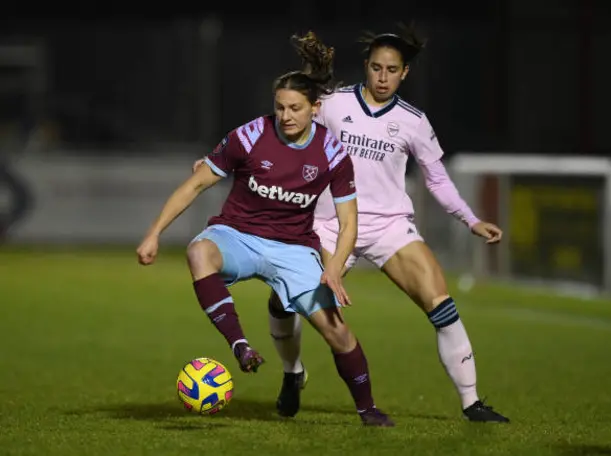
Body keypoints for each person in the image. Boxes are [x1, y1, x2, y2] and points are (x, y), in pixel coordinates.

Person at [195, 25, 509, 423]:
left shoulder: (414, 121)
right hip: (328, 224)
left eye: (391, 70)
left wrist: (470, 218)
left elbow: (436, 177)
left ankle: (472, 402)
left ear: (404, 73)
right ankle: (292, 374)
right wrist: (213, 163)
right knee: (284, 300)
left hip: (389, 225)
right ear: (366, 66)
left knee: (440, 302)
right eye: (376, 67)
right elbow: (281, 118)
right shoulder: (333, 103)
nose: (382, 77)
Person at [137, 31, 393, 427]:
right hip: (237, 235)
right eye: (280, 107)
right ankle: (240, 345)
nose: (286, 116)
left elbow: (349, 222)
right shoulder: (251, 135)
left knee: (337, 332)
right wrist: (154, 232)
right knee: (198, 251)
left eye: (294, 108)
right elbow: (195, 184)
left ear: (315, 108)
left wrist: (334, 267)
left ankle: (368, 410)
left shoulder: (332, 153)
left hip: (293, 248)